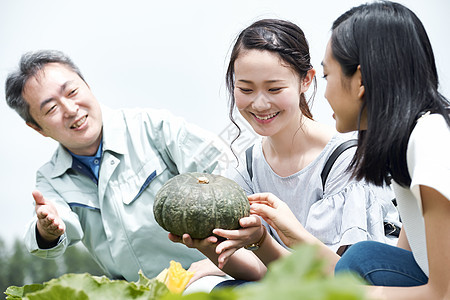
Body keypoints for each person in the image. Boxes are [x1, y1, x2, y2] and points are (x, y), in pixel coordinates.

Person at [169, 18, 400, 284]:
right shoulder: (248, 166)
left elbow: (345, 279)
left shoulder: (345, 161)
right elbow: (262, 271)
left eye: (274, 88)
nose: (260, 103)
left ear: (306, 81)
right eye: (245, 89)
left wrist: (263, 240)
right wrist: (209, 246)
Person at [4, 50, 231, 284]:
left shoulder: (153, 128)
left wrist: (222, 258)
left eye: (72, 92)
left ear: (87, 86)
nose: (70, 109)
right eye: (51, 108)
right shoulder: (51, 178)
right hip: (136, 291)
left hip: (205, 275)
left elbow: (227, 171)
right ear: (37, 128)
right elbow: (55, 227)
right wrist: (47, 231)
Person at [323, 2, 449, 299]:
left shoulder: (429, 139)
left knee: (357, 263)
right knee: (362, 258)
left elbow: (444, 293)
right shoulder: (407, 138)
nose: (325, 90)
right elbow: (417, 246)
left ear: (361, 80)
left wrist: (350, 295)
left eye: (326, 75)